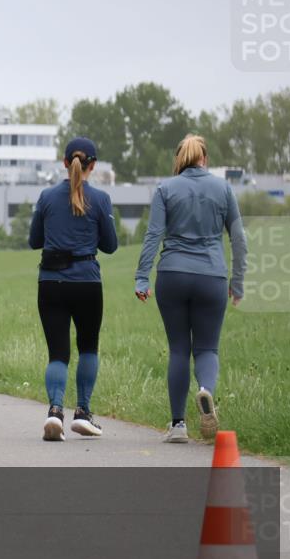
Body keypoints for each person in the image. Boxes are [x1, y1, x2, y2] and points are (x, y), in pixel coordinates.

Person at [135, 134, 247, 443]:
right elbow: (239, 239)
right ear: (205, 159)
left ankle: (178, 425)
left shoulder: (165, 188)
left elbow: (153, 234)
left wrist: (142, 277)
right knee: (207, 348)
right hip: (211, 276)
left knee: (179, 349)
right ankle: (206, 391)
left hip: (172, 275)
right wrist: (237, 281)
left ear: (179, 160)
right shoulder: (223, 189)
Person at [28, 137, 118, 442]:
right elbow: (110, 246)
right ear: (93, 165)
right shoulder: (102, 200)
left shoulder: (46, 197)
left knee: (58, 353)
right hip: (87, 283)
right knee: (88, 347)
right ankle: (83, 412)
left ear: (65, 163)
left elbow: (34, 241)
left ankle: (55, 411)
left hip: (51, 283)